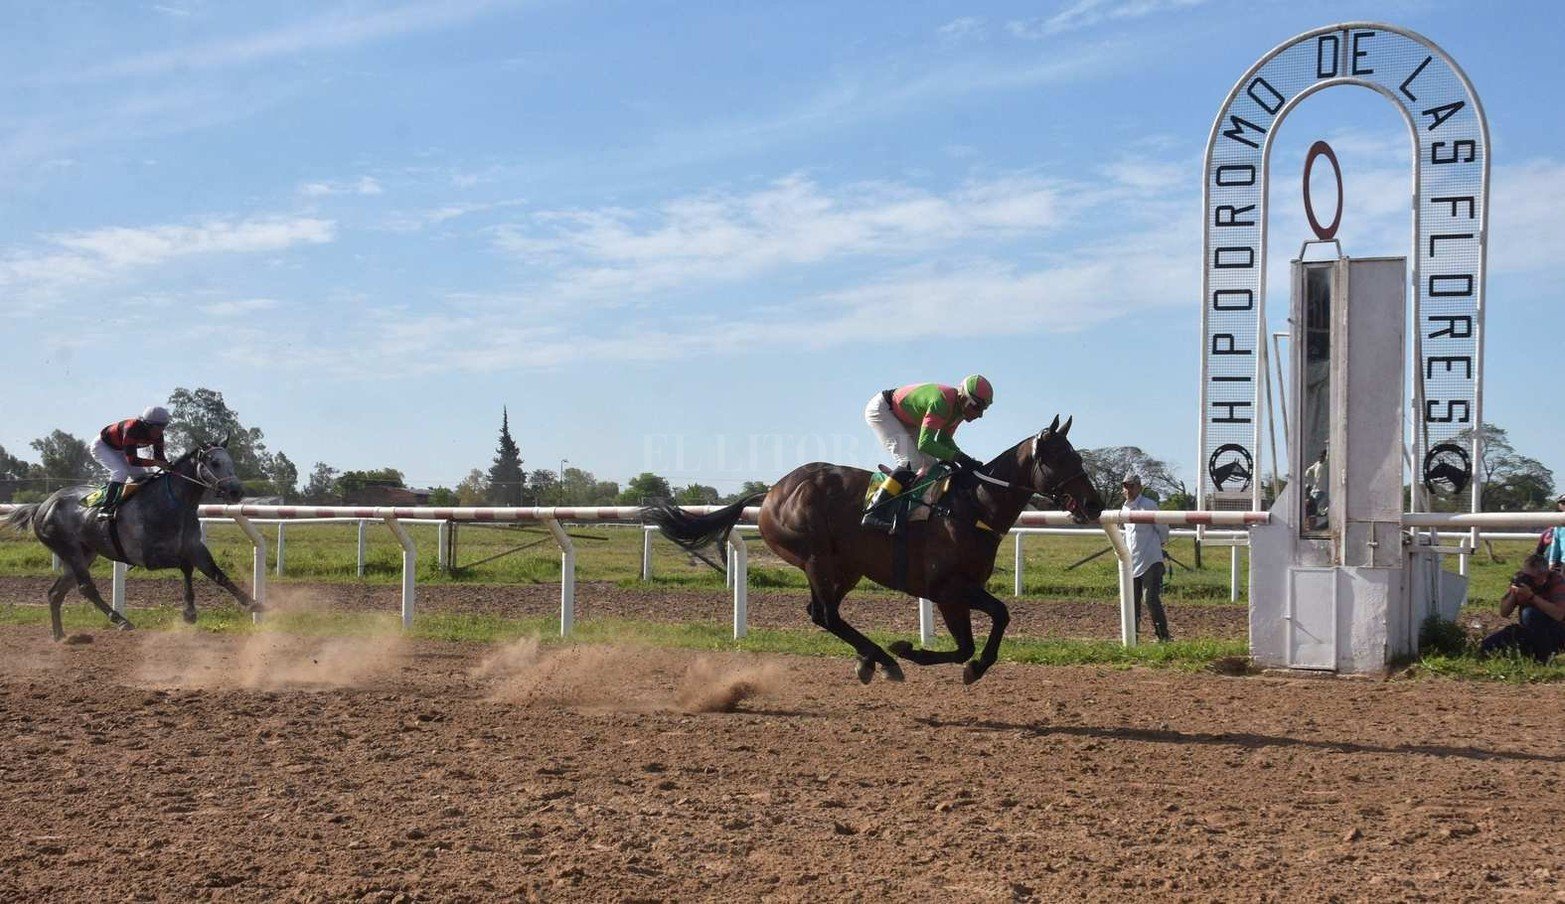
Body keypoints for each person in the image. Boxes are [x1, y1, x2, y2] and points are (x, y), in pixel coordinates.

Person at [861, 375, 993, 531]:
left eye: (984, 409)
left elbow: (944, 441)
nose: (979, 415)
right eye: (977, 407)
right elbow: (925, 444)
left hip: (907, 419)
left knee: (932, 466)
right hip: (884, 410)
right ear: (966, 399)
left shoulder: (959, 410)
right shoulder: (942, 403)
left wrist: (964, 458)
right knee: (909, 462)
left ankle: (907, 511)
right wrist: (958, 457)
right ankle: (873, 512)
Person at [1479, 554, 1565, 664]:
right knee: (1489, 645)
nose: (1526, 580)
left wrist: (1532, 596)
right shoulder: (1521, 581)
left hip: (1555, 631)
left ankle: (1544, 658)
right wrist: (1513, 594)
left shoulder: (1556, 580)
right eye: (1525, 575)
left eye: (1530, 578)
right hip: (1529, 630)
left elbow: (1559, 614)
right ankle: (1529, 654)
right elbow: (1504, 613)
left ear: (1543, 576)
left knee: (1529, 613)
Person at [90, 406, 173, 519]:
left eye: (164, 427)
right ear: (147, 425)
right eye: (157, 427)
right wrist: (155, 463)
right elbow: (132, 460)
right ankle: (105, 508)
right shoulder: (132, 429)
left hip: (120, 449)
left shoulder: (159, 436)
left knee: (141, 476)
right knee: (121, 472)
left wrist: (170, 467)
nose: (160, 431)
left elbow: (160, 457)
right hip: (102, 446)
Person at [1121, 473, 1171, 642]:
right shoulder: (1124, 508)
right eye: (1125, 486)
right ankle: (1132, 637)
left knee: (1150, 599)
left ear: (1138, 487)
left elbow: (1163, 529)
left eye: (1131, 486)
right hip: (1132, 562)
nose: (1127, 489)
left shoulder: (1150, 505)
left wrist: (1160, 545)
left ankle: (1163, 637)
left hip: (1151, 560)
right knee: (1132, 602)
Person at [1302, 445, 1328, 530]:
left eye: (1322, 456)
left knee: (1312, 506)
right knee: (1309, 506)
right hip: (1314, 489)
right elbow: (1308, 471)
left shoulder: (1326, 464)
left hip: (1321, 490)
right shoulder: (1317, 464)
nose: (1320, 458)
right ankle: (1310, 523)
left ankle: (1313, 524)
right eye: (1319, 456)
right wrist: (1308, 481)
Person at [1543, 493, 1565, 572]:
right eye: (1563, 503)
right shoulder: (1558, 523)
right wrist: (1551, 561)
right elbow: (1555, 543)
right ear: (1559, 505)